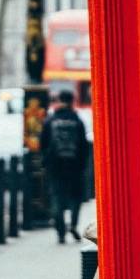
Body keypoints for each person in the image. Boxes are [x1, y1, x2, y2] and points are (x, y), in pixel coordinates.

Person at [40, 89, 90, 243]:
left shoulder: (50, 121)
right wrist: (83, 165)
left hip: (55, 167)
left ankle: (60, 231)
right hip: (75, 166)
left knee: (57, 197)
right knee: (75, 198)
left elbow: (43, 144)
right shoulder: (77, 121)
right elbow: (83, 145)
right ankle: (73, 225)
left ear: (59, 100)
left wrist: (46, 162)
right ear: (72, 101)